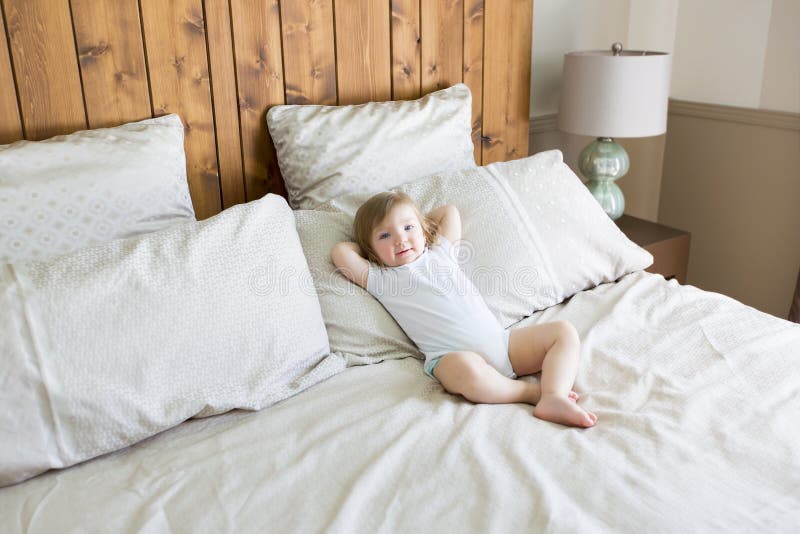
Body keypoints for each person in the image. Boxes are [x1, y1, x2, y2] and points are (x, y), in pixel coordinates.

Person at [331, 191, 597, 428]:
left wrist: (419, 226)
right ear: (372, 250)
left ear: (423, 230)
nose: (400, 239)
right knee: (465, 372)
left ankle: (554, 396)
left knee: (564, 332)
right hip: (450, 355)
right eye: (385, 235)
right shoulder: (383, 279)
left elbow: (449, 212)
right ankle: (530, 394)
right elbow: (341, 252)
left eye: (408, 227)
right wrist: (368, 249)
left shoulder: (441, 253)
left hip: (503, 344)